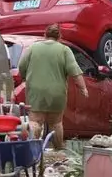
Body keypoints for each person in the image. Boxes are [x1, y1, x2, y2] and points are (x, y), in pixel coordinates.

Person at [18, 24, 88, 152]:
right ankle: (59, 150)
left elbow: (21, 66)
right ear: (59, 37)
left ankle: (33, 150)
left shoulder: (33, 47)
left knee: (35, 121)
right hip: (57, 93)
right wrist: (83, 88)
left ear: (45, 35)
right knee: (56, 123)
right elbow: (75, 72)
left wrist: (24, 77)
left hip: (36, 91)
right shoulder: (64, 50)